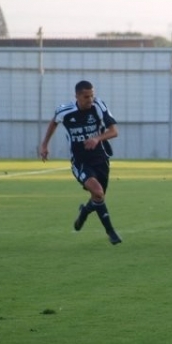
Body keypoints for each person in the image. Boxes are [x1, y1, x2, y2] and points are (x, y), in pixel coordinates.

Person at [39, 80, 122, 245]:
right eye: (86, 97)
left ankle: (84, 211)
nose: (90, 99)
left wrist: (97, 138)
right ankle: (111, 231)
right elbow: (54, 122)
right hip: (80, 161)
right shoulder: (65, 111)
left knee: (98, 197)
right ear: (76, 96)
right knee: (98, 192)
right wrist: (44, 145)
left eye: (92, 96)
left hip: (101, 159)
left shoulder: (98, 106)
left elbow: (114, 131)